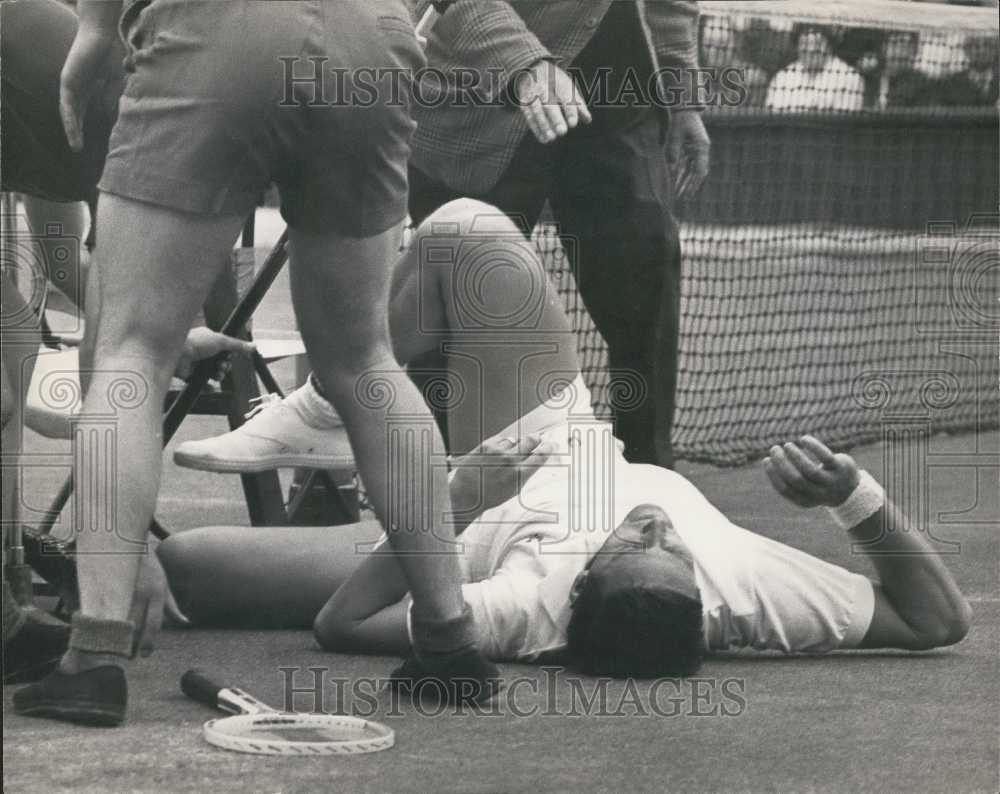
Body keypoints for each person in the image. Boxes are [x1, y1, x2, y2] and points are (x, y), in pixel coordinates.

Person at [157, 201, 972, 680]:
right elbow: (938, 621)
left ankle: (376, 454)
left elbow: (341, 625)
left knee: (185, 570)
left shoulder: (525, 614)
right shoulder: (747, 596)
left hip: (449, 535)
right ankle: (337, 402)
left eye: (632, 542)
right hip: (549, 442)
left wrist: (443, 506)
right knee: (465, 233)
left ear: (578, 594)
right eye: (673, 549)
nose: (657, 526)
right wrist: (854, 498)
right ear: (705, 606)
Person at [13, 0, 493, 728]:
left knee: (131, 351)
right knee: (363, 357)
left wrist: (95, 28)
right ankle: (450, 640)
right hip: (372, 32)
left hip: (219, 27)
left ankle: (97, 654)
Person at [174, 0, 709, 471]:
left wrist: (682, 97)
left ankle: (651, 485)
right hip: (475, 96)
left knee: (646, 275)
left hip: (618, 105)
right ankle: (413, 488)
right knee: (444, 318)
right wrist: (525, 65)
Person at [766, 26, 865, 113]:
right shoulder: (782, 77)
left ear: (829, 47)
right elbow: (773, 116)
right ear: (797, 48)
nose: (811, 49)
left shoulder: (850, 77)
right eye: (804, 44)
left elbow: (845, 123)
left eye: (818, 44)